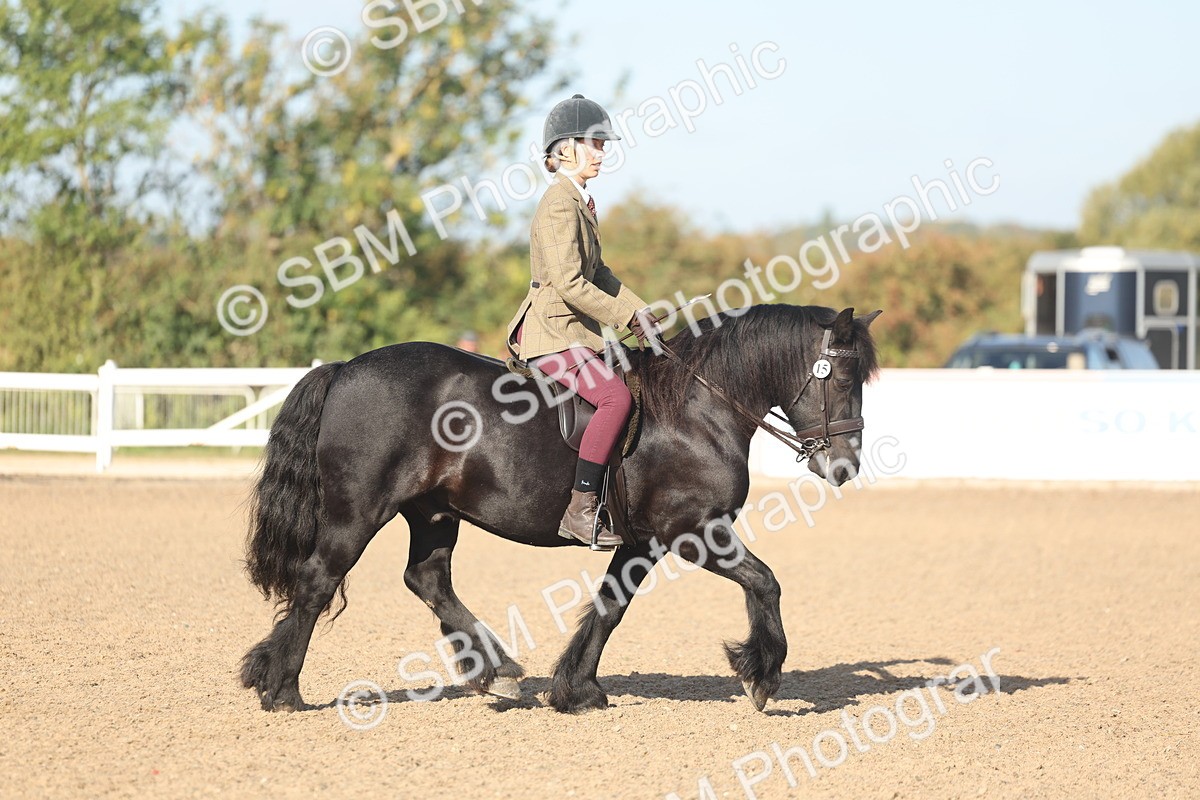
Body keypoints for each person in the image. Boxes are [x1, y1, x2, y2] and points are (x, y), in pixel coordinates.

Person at [506, 94, 658, 549]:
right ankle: (580, 507)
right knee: (614, 398)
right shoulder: (558, 204)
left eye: (602, 143)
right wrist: (626, 317)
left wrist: (640, 310)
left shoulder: (581, 202)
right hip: (552, 335)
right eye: (594, 142)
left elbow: (601, 274)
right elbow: (570, 283)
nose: (602, 151)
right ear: (566, 148)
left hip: (575, 333)